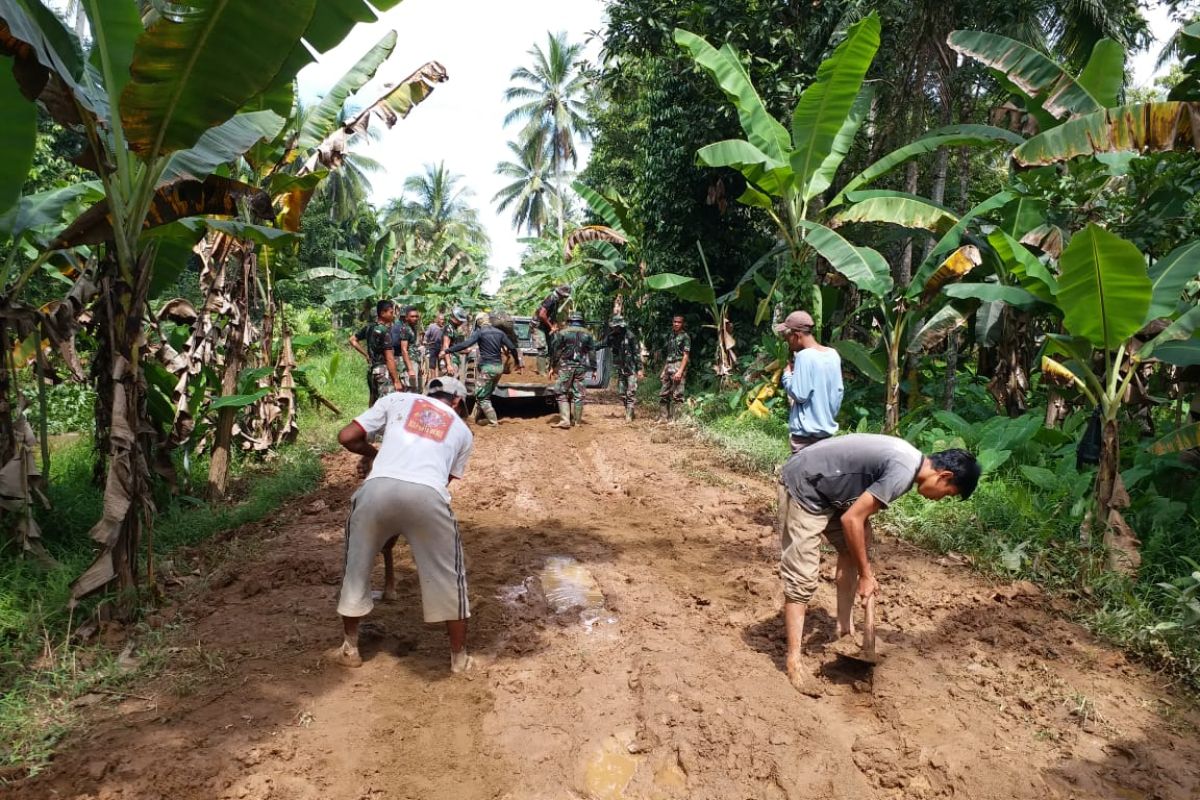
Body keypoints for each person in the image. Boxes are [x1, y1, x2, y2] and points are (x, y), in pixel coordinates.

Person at [777, 434, 980, 693]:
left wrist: (864, 566)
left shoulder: (909, 462)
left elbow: (858, 520)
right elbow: (852, 519)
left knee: (856, 546)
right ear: (945, 476)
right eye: (948, 494)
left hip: (829, 487)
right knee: (802, 576)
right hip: (806, 486)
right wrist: (865, 574)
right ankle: (794, 661)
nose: (940, 499)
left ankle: (844, 630)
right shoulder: (903, 473)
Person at [333, 376, 476, 673]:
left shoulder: (397, 400)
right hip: (427, 495)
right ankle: (459, 659)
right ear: (458, 402)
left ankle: (350, 647)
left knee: (355, 565)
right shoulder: (463, 431)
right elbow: (440, 481)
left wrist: (376, 455)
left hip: (375, 491)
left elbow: (347, 437)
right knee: (451, 576)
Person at [776, 310, 843, 453]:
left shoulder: (804, 356)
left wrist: (787, 374)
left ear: (796, 335)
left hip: (805, 436)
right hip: (826, 433)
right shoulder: (833, 354)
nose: (787, 342)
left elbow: (799, 394)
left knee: (801, 474)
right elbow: (838, 393)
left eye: (787, 337)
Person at [446, 312, 523, 426]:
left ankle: (493, 422)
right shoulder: (500, 333)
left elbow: (466, 344)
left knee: (481, 396)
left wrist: (448, 350)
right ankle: (474, 417)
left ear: (478, 321)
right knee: (485, 394)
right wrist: (517, 362)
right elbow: (512, 347)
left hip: (488, 368)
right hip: (498, 368)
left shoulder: (480, 333)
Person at [549, 311, 596, 429]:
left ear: (570, 321)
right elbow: (592, 353)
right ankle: (578, 422)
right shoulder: (588, 334)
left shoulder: (564, 332)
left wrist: (552, 366)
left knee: (560, 390)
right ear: (581, 322)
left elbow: (557, 351)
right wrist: (594, 369)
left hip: (566, 367)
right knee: (579, 394)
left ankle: (565, 420)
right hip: (581, 367)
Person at [349, 300, 400, 405]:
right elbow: (389, 358)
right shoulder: (385, 331)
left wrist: (366, 354)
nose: (393, 315)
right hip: (383, 370)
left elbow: (352, 340)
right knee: (388, 403)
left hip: (372, 371)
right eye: (391, 312)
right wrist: (396, 380)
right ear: (382, 313)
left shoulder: (369, 327)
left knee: (373, 400)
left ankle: (369, 420)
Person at [607, 315, 643, 422]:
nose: (614, 328)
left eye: (616, 326)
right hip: (621, 368)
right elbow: (606, 344)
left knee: (631, 392)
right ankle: (629, 410)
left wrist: (640, 369)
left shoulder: (630, 336)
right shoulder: (614, 336)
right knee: (622, 393)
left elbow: (636, 353)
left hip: (631, 368)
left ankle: (629, 415)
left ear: (621, 326)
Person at [658, 315, 690, 421]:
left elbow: (686, 355)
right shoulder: (671, 336)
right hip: (669, 365)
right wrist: (664, 370)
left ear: (682, 324)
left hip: (678, 365)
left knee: (677, 395)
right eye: (675, 322)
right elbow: (669, 354)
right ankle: (664, 418)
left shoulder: (685, 337)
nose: (676, 324)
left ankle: (677, 420)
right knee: (664, 393)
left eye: (679, 322)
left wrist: (680, 371)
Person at [391, 305, 421, 390]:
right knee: (410, 389)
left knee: (416, 388)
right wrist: (410, 368)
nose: (415, 318)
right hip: (409, 362)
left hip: (415, 361)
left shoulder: (413, 329)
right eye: (412, 316)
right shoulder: (404, 329)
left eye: (416, 316)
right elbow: (404, 350)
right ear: (406, 318)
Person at [440, 307, 467, 377]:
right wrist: (449, 365)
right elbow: (446, 346)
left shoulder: (453, 328)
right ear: (455, 318)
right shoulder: (449, 328)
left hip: (454, 360)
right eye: (461, 320)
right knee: (450, 384)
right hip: (451, 361)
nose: (462, 322)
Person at [424, 312, 445, 379]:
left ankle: (440, 378)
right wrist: (425, 340)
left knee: (441, 364)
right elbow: (426, 335)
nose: (442, 321)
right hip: (432, 346)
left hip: (441, 347)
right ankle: (433, 379)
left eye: (443, 320)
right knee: (432, 364)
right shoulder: (432, 326)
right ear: (437, 320)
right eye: (441, 319)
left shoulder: (444, 328)